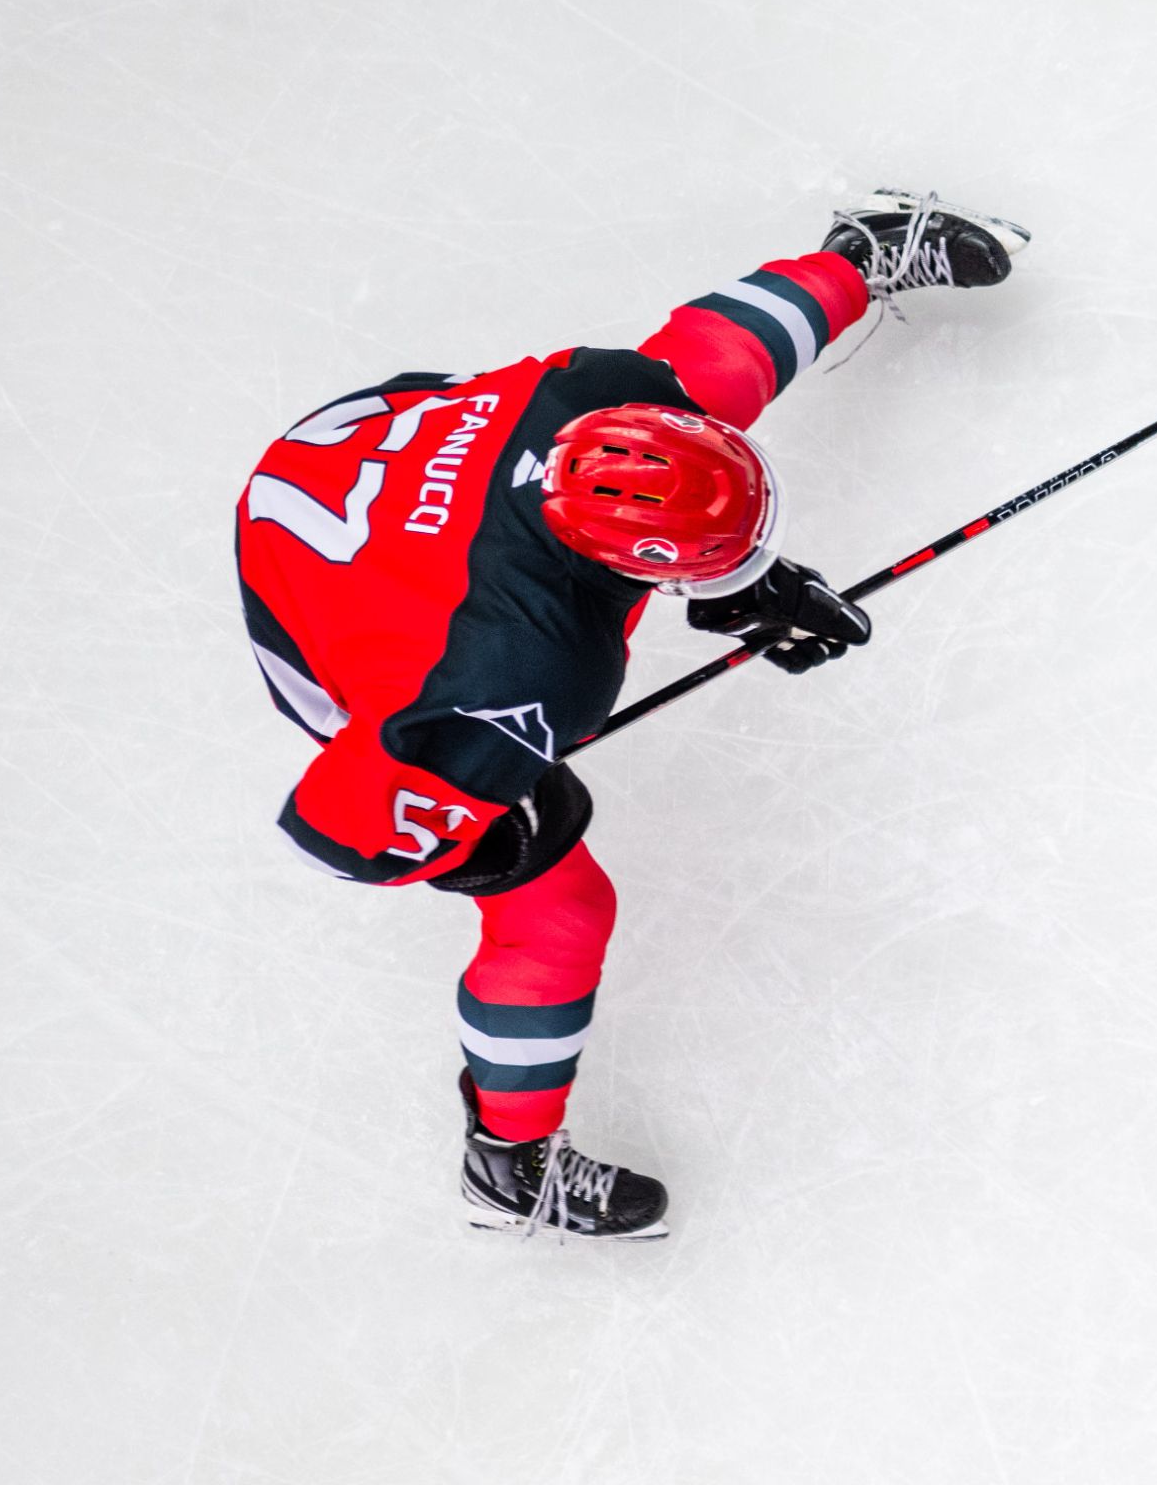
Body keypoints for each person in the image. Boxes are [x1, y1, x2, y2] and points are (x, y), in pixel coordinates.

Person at [238, 193, 1027, 1236]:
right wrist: (483, 834)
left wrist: (739, 583)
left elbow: (709, 357)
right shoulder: (513, 682)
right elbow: (340, 834)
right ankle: (507, 1165)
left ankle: (857, 255)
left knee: (702, 378)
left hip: (353, 459)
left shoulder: (604, 392)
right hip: (310, 611)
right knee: (560, 911)